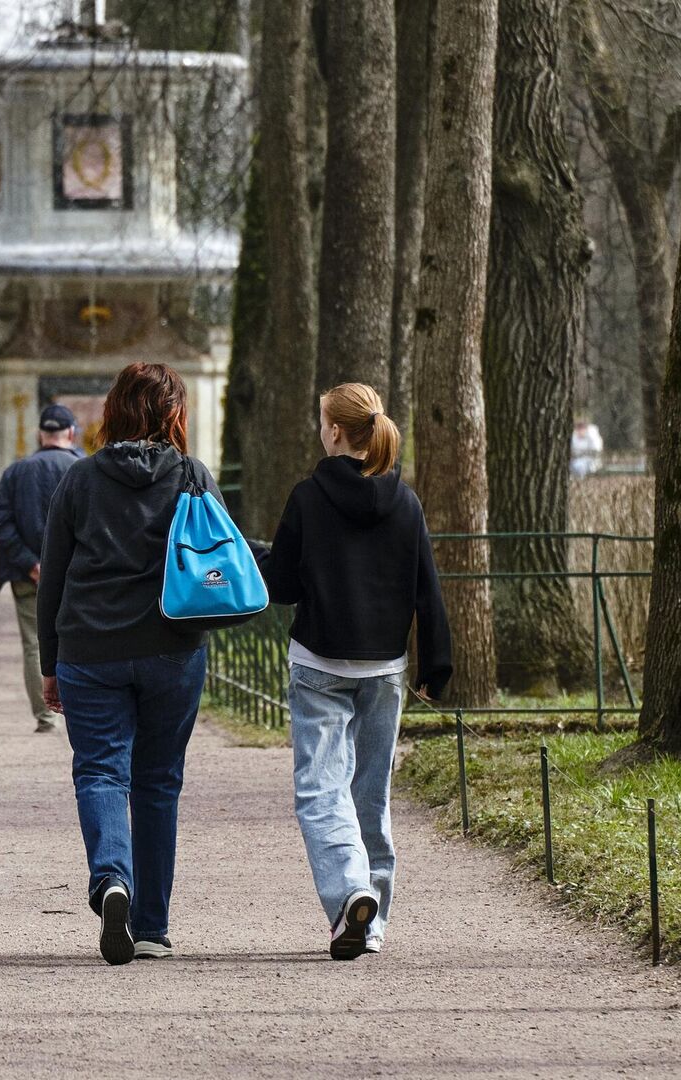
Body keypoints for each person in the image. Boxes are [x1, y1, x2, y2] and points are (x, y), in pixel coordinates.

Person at [255, 382, 452, 961]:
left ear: (336, 431)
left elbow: (282, 586)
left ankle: (350, 893)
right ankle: (373, 920)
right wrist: (436, 664)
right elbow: (426, 587)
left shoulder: (307, 497)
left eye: (322, 421)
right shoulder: (405, 502)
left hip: (319, 663)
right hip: (385, 667)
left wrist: (260, 559)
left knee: (320, 789)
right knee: (371, 792)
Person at [37, 362, 221, 966]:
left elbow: (53, 577)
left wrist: (49, 662)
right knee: (158, 781)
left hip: (90, 650)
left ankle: (112, 877)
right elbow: (220, 555)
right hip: (172, 646)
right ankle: (151, 928)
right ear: (174, 414)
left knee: (100, 772)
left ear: (113, 411)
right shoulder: (192, 476)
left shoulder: (81, 480)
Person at [0, 403, 82, 733]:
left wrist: (31, 564)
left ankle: (46, 715)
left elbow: (3, 524)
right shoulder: (82, 469)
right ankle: (80, 711)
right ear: (71, 433)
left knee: (34, 644)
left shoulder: (16, 472)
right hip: (76, 575)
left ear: (40, 434)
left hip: (27, 574)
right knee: (79, 640)